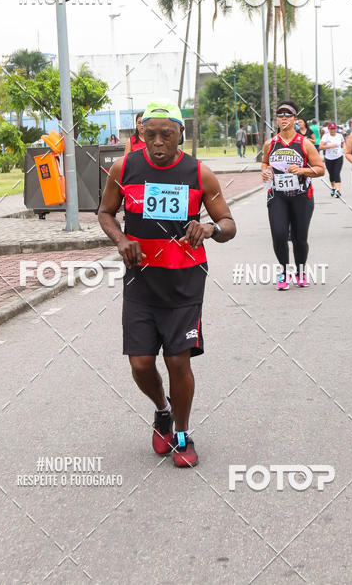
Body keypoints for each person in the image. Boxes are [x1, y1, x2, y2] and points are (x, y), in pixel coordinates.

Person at [98, 100, 236, 468]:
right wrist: (121, 240)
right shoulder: (123, 167)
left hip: (184, 283)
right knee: (141, 364)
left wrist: (209, 228)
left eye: (166, 135)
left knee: (177, 360)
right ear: (140, 134)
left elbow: (228, 224)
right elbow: (105, 212)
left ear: (181, 136)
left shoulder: (199, 173)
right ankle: (162, 410)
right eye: (150, 134)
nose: (157, 142)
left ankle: (181, 432)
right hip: (141, 282)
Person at [261, 100, 325, 290]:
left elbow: (320, 169)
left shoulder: (304, 143)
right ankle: (284, 271)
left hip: (301, 196)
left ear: (295, 118)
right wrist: (265, 171)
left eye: (288, 114)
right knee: (279, 234)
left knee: (299, 238)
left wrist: (302, 170)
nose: (284, 118)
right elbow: (265, 163)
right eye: (280, 115)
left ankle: (300, 271)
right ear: (276, 120)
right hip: (277, 195)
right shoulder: (270, 143)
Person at [320, 122, 344, 197]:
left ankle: (338, 190)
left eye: (334, 129)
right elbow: (321, 147)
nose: (332, 130)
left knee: (337, 173)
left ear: (336, 129)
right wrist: (331, 146)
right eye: (331, 129)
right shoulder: (326, 136)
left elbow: (343, 143)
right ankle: (333, 188)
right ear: (329, 129)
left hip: (338, 157)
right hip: (329, 158)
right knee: (331, 174)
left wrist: (344, 149)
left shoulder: (340, 136)